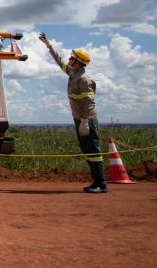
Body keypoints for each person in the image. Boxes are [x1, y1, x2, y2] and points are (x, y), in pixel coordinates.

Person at [39, 32, 107, 193]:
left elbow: (89, 103)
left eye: (72, 58)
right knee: (88, 151)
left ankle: (101, 183)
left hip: (87, 120)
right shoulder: (73, 74)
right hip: (80, 119)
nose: (69, 60)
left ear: (78, 62)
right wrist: (48, 46)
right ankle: (96, 182)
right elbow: (59, 61)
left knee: (93, 151)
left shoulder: (84, 79)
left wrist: (85, 122)